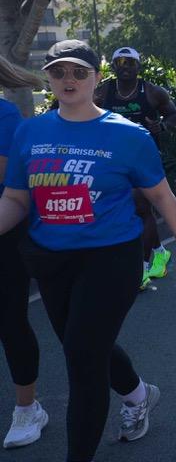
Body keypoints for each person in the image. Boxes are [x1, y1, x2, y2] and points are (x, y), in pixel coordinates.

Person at [0, 40, 176, 462]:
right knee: (85, 345)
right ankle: (139, 394)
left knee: (82, 359)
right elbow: (17, 199)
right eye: (58, 72)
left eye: (78, 72)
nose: (68, 80)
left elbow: (161, 194)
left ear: (96, 78)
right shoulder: (30, 131)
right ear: (49, 79)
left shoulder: (127, 134)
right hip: (52, 260)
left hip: (111, 258)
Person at [95, 46, 176, 288]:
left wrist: (162, 127)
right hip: (112, 159)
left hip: (144, 159)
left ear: (138, 66)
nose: (125, 67)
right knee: (129, 210)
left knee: (141, 208)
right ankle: (160, 250)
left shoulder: (152, 92)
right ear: (112, 67)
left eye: (130, 62)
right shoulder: (103, 92)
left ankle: (142, 268)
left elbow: (172, 115)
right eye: (120, 62)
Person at [0, 57, 45, 450]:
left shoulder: (5, 116)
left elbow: (9, 180)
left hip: (5, 234)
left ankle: (28, 408)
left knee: (10, 322)